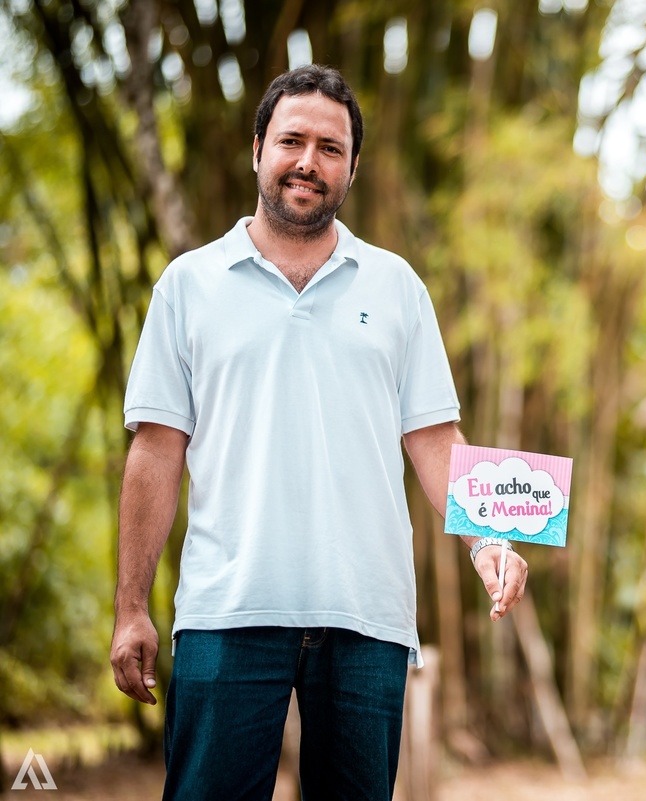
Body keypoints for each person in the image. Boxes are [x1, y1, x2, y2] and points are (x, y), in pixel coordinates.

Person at [108, 64, 528, 800]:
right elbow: (155, 450)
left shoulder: (396, 285)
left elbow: (436, 439)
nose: (308, 161)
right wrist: (131, 606)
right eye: (291, 140)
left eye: (330, 148)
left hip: (367, 614)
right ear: (257, 150)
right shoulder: (188, 284)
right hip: (226, 609)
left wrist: (490, 538)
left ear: (353, 166)